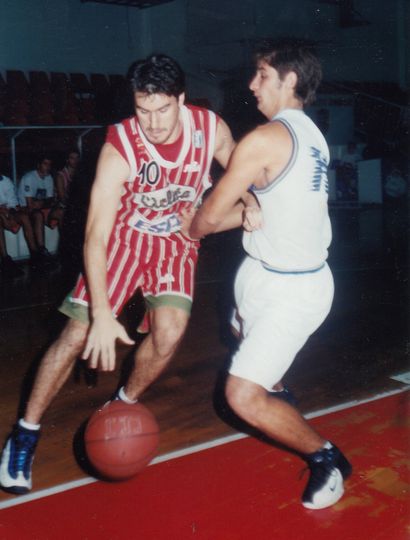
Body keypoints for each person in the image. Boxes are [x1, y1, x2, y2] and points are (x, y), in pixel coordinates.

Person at [0, 53, 236, 495]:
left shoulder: (210, 129)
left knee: (170, 334)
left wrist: (253, 200)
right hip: (123, 240)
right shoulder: (120, 147)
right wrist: (104, 314)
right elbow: (95, 235)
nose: (153, 122)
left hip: (175, 242)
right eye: (142, 110)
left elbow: (240, 169)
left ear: (181, 100)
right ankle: (25, 434)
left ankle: (122, 403)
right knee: (76, 333)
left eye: (162, 109)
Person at [189, 38, 352, 510]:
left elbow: (204, 222)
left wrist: (198, 218)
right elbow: (274, 206)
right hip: (268, 272)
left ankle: (327, 459)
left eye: (261, 74)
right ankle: (280, 392)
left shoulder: (263, 140)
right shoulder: (312, 136)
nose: (251, 83)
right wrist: (250, 203)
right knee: (240, 333)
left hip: (292, 288)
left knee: (241, 395)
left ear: (289, 79)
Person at [17, 154, 62, 264]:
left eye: (49, 164)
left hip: (41, 208)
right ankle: (37, 252)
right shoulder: (29, 178)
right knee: (38, 215)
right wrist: (43, 202)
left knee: (59, 212)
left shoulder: (49, 178)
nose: (48, 167)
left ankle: (43, 250)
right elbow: (29, 204)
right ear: (38, 165)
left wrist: (42, 202)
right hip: (24, 208)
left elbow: (50, 199)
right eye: (45, 164)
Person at [0, 172, 41, 277]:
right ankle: (5, 260)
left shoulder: (6, 181)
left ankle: (35, 254)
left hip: (7, 212)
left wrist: (10, 212)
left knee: (24, 217)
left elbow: (13, 202)